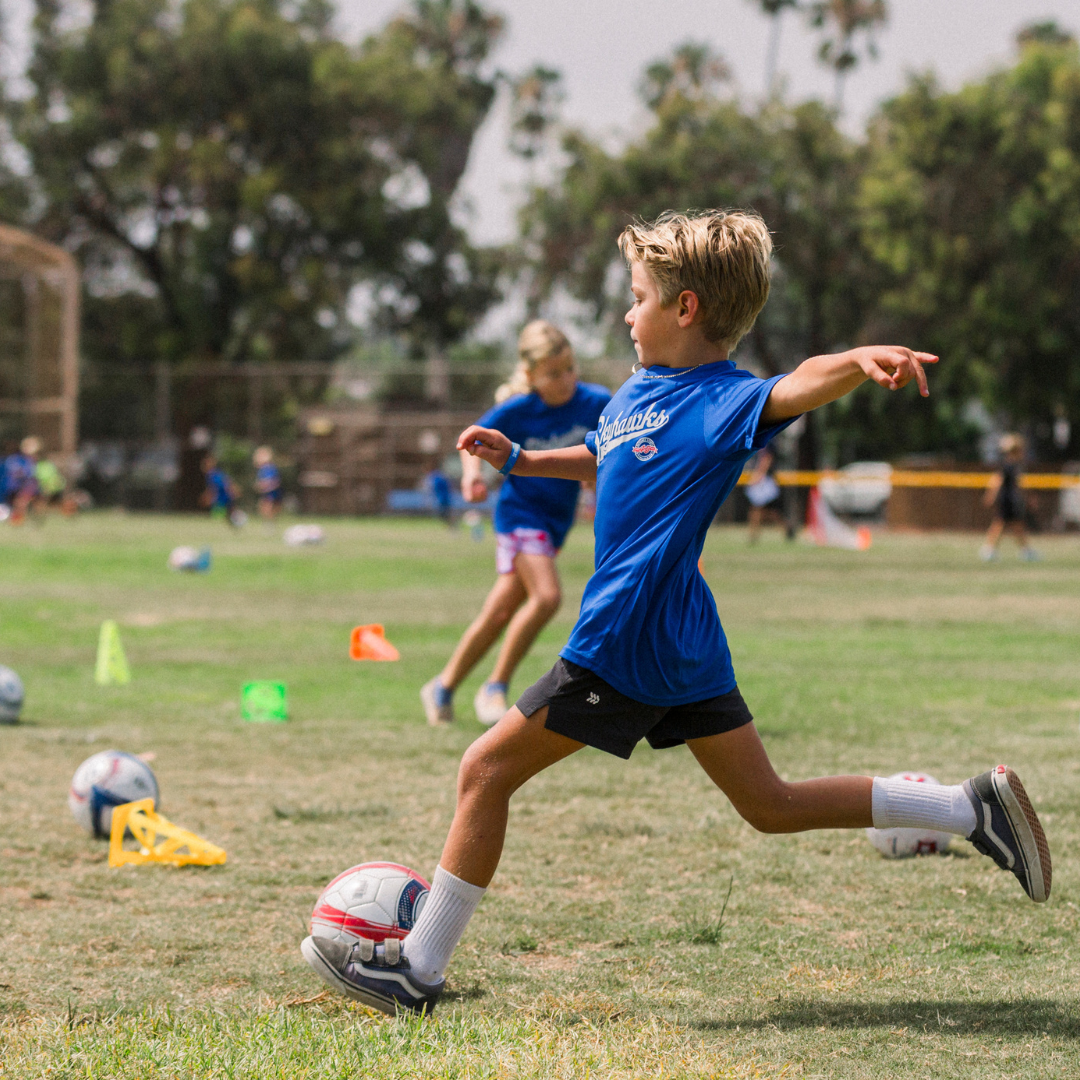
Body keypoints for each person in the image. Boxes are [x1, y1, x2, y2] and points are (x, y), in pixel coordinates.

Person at [301, 210, 1052, 1016]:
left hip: (628, 634)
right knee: (771, 804)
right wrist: (523, 460)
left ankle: (416, 970)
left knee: (484, 770)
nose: (627, 314)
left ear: (686, 308)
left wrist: (858, 362)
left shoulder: (722, 402)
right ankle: (965, 807)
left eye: (638, 298)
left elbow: (794, 383)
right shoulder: (638, 391)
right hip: (685, 636)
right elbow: (605, 458)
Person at [420, 321, 611, 727]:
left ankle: (442, 686)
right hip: (521, 518)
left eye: (571, 368)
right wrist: (472, 477)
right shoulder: (519, 409)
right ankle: (495, 686)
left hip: (555, 525)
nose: (566, 380)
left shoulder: (595, 401)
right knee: (547, 597)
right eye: (554, 374)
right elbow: (472, 440)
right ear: (530, 376)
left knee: (500, 611)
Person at [980, 434, 1037, 561]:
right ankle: (989, 549)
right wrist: (991, 496)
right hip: (1007, 499)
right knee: (1002, 523)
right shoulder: (1008, 465)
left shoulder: (1014, 464)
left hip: (1010, 499)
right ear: (1015, 451)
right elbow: (997, 481)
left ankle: (1025, 550)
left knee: (1014, 524)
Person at [743, 447, 792, 542]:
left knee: (758, 509)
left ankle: (753, 535)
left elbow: (767, 458)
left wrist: (759, 475)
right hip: (765, 479)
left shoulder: (767, 442)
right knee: (766, 511)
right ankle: (787, 527)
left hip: (765, 481)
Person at [2, 437, 42, 524]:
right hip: (17, 485)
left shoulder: (32, 461)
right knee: (19, 503)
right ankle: (17, 519)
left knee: (26, 502)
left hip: (28, 485)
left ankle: (28, 519)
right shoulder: (16, 459)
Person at [200, 455, 241, 525]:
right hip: (221, 497)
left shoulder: (214, 475)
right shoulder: (213, 474)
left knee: (223, 514)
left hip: (223, 497)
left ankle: (238, 521)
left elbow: (226, 483)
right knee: (227, 514)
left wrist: (233, 491)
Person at [253, 446, 283, 522]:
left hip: (271, 492)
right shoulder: (262, 469)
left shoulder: (269, 468)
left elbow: (273, 480)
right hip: (267, 492)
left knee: (269, 507)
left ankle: (270, 522)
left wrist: (264, 485)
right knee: (264, 507)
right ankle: (269, 522)